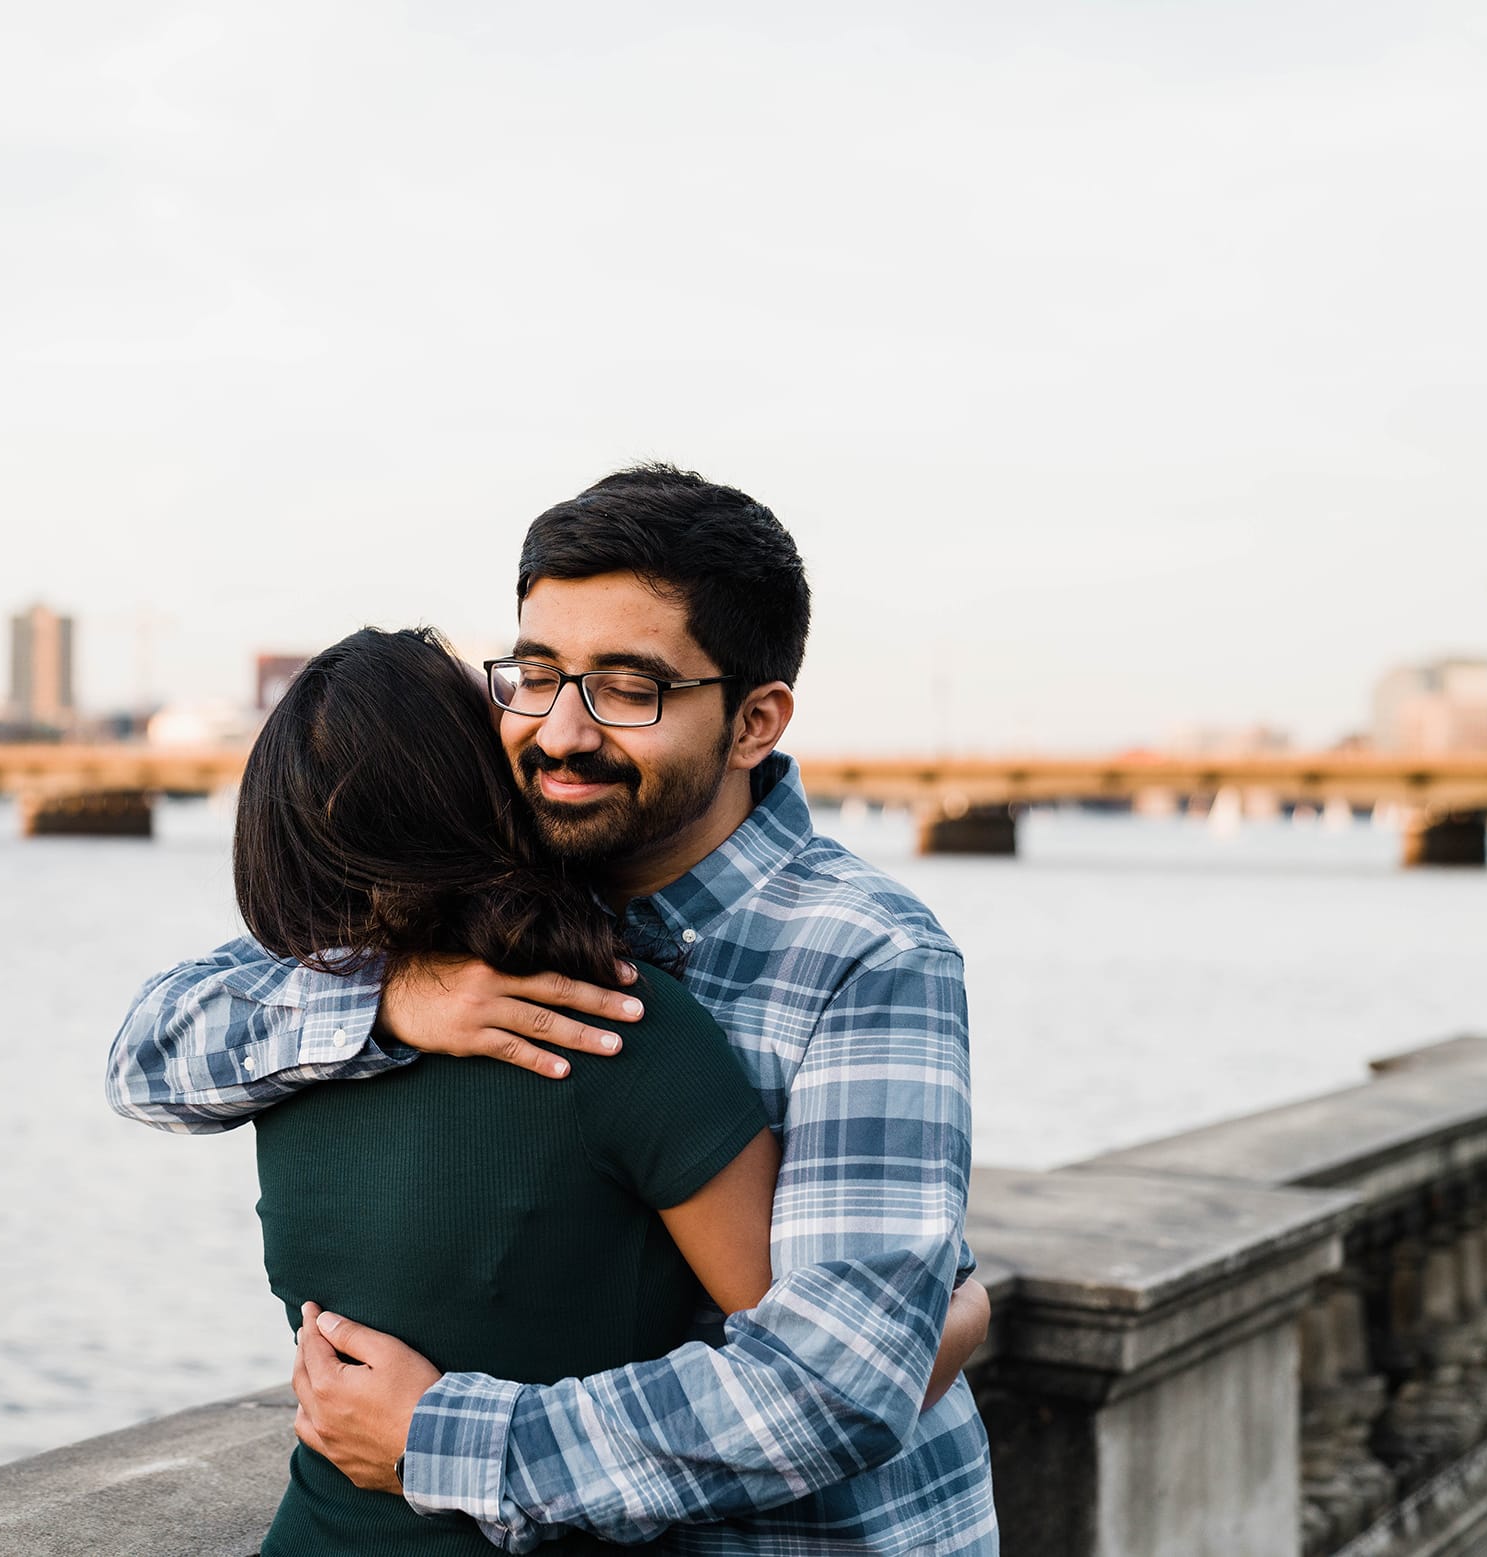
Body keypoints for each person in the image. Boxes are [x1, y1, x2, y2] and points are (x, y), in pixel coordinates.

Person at [109, 465, 997, 1555]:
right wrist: (391, 1002)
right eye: (535, 675)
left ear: (754, 720)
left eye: (629, 689)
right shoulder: (480, 900)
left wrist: (441, 1437)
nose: (561, 732)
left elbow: (835, 1384)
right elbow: (148, 1057)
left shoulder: (865, 954)